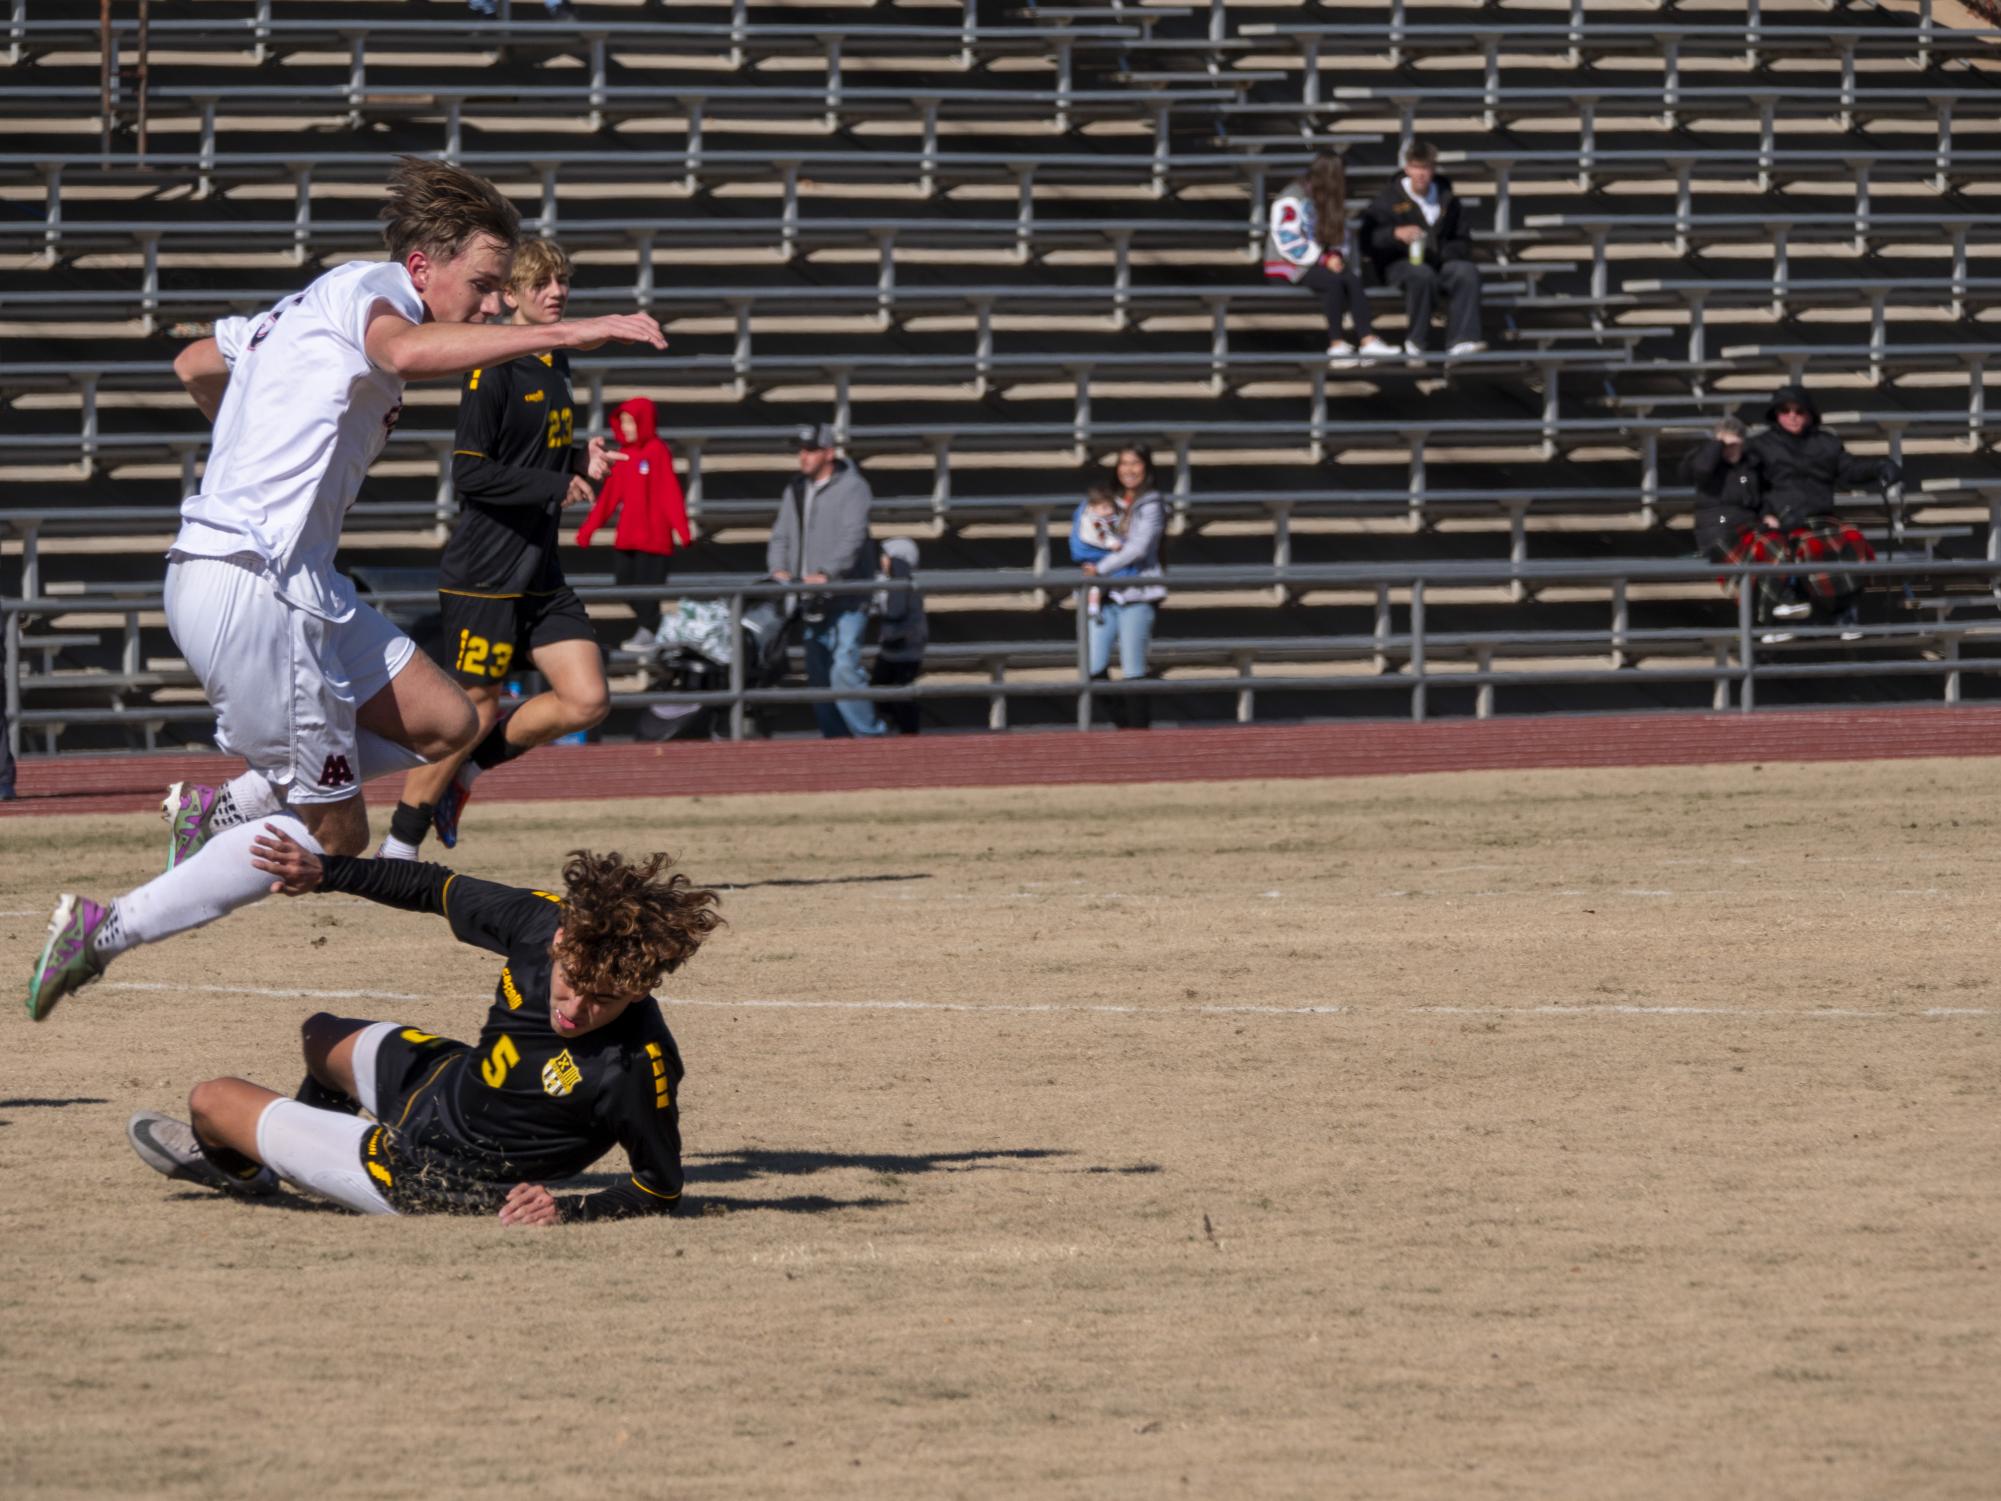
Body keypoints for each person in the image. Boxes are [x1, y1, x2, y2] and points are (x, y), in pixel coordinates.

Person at [26, 157, 668, 1021]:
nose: (489, 303)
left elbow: (191, 363)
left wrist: (257, 435)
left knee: (446, 723)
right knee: (336, 835)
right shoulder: (374, 296)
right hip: (251, 584)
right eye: (481, 285)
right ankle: (104, 929)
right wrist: (565, 332)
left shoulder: (303, 308)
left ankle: (228, 803)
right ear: (420, 269)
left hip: (296, 579)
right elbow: (404, 350)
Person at [126, 829, 721, 1222]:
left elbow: (660, 1188)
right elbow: (434, 887)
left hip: (436, 1170)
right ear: (562, 938)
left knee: (210, 1100)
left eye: (606, 1000)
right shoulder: (541, 921)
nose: (576, 1008)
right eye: (573, 982)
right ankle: (305, 1147)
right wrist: (324, 870)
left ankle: (253, 1171)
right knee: (321, 1034)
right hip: (444, 1084)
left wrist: (567, 1211)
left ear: (639, 989)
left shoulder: (638, 1065)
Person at [379, 238, 621, 861]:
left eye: (562, 281)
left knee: (587, 698)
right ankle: (399, 848)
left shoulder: (553, 359)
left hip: (539, 563)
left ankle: (469, 773)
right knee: (475, 704)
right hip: (486, 569)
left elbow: (532, 451)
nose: (556, 292)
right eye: (541, 283)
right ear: (508, 295)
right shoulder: (492, 369)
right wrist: (553, 481)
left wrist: (576, 456)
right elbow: (470, 473)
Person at [1745, 385, 1899, 641]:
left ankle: (1845, 611)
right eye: (1785, 411)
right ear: (1775, 414)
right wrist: (1763, 514)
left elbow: (1850, 470)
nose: (1792, 416)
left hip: (1820, 517)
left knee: (1850, 539)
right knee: (1788, 545)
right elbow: (1745, 485)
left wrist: (1879, 467)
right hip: (1779, 518)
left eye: (1799, 411)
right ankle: (1780, 609)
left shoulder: (1826, 443)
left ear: (1810, 414)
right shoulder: (1759, 447)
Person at [767, 422, 883, 739]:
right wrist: (778, 570)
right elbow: (781, 536)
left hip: (847, 597)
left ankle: (870, 738)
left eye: (811, 450)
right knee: (818, 676)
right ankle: (835, 744)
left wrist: (827, 573)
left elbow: (853, 539)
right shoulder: (796, 488)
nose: (803, 457)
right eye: (801, 451)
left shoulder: (854, 488)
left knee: (845, 667)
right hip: (810, 599)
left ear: (829, 453)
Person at [577, 396, 691, 654]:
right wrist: (588, 529)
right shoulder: (624, 455)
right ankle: (658, 627)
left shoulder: (658, 451)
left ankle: (651, 630)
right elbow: (608, 498)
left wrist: (682, 530)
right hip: (627, 538)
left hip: (654, 541)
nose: (627, 428)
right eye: (624, 422)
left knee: (648, 593)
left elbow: (670, 494)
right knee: (624, 584)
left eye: (632, 422)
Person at [1264, 153, 1397, 368]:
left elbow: (1339, 236)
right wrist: (1324, 259)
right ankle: (1336, 345)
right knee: (1333, 281)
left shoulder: (1328, 199)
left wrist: (1335, 255)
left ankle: (1368, 340)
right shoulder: (1290, 199)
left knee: (1351, 279)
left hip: (1315, 262)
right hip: (1285, 265)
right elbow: (1288, 242)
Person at [1680, 416, 1809, 635]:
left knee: (1784, 541)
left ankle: (1776, 610)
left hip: (1749, 527)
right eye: (1725, 445)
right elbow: (1701, 469)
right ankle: (1775, 609)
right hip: (1718, 527)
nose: (1730, 450)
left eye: (1734, 445)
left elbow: (1758, 500)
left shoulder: (1747, 469)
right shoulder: (1705, 461)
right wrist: (1717, 443)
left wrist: (1768, 515)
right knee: (1767, 545)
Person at [1362, 139, 1486, 360]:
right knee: (1421, 274)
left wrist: (1443, 252)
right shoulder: (1387, 199)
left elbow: (1462, 238)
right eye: (1416, 167)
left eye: (1426, 167)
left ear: (1433, 168)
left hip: (1440, 261)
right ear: (1407, 168)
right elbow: (1369, 238)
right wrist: (1395, 234)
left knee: (1466, 272)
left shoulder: (1447, 199)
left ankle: (1463, 340)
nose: (1421, 173)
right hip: (1399, 263)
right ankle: (1416, 340)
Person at [1078, 444, 1168, 730]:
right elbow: (1086, 531)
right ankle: (1126, 725)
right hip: (1104, 595)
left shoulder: (1152, 504)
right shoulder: (1107, 500)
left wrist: (1100, 569)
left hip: (1137, 593)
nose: (1129, 469)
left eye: (1135, 463)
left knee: (1133, 668)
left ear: (1147, 467)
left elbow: (1138, 548)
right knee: (1093, 667)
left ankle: (1139, 735)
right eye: (1123, 463)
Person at [870, 537, 927, 736]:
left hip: (908, 651)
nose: (883, 562)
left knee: (900, 693)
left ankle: (909, 732)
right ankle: (889, 724)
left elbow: (898, 610)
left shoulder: (909, 585)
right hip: (888, 649)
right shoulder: (883, 582)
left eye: (887, 558)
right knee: (878, 689)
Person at [1068, 482, 1129, 620]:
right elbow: (1103, 536)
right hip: (1093, 552)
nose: (1110, 510)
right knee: (1099, 579)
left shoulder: (1105, 512)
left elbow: (1118, 504)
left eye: (1110, 506)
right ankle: (1093, 605)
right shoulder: (1094, 520)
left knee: (1103, 577)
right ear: (1093, 507)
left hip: (1098, 553)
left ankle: (1110, 592)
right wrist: (1113, 544)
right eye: (1105, 507)